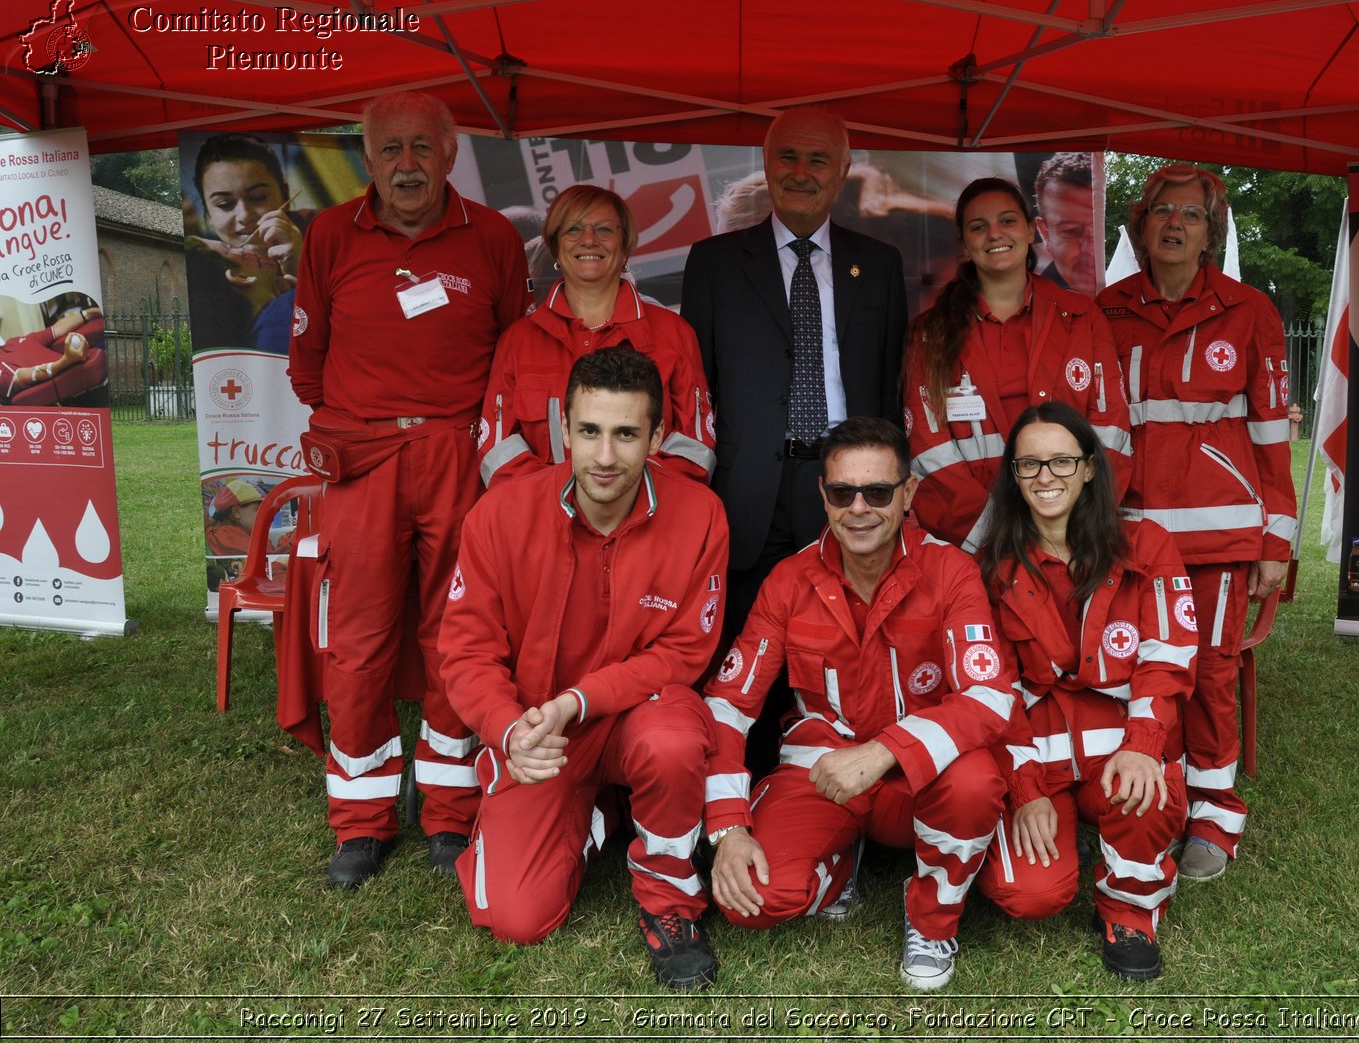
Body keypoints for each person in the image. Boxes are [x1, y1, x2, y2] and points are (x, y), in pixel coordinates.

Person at [288, 91, 532, 889]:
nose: (406, 165)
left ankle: (449, 812)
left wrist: (445, 430)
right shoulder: (328, 235)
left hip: (458, 455)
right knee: (357, 642)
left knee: (455, 634)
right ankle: (360, 822)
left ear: (450, 151)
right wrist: (370, 422)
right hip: (363, 460)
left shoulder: (492, 237)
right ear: (367, 158)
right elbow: (307, 363)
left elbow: (512, 354)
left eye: (421, 148)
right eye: (389, 149)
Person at [438, 346, 727, 990]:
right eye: (589, 431)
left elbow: (683, 653)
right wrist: (508, 728)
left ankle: (670, 901)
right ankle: (596, 821)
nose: (604, 456)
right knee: (517, 917)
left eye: (627, 434)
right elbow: (466, 647)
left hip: (634, 716)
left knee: (675, 739)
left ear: (657, 436)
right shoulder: (498, 516)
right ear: (562, 429)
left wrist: (579, 699)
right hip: (540, 732)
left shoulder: (702, 514)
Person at [703, 417, 1012, 992]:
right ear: (823, 494)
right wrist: (726, 828)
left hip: (915, 781)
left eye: (878, 491)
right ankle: (839, 860)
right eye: (843, 492)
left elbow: (990, 699)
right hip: (821, 775)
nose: (860, 508)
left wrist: (883, 750)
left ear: (909, 493)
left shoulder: (951, 571)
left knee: (974, 781)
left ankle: (932, 919)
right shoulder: (788, 580)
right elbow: (727, 706)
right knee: (753, 902)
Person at [1096, 162, 1296, 881]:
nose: (1174, 224)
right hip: (1130, 537)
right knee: (1138, 672)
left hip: (1221, 541)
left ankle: (1215, 818)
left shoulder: (1251, 312)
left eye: (1190, 214)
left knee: (1210, 674)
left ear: (1212, 232)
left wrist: (1278, 539)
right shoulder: (1106, 310)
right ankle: (1162, 802)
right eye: (1160, 212)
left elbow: (1274, 437)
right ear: (1139, 227)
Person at [973, 402, 1195, 982]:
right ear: (1013, 476)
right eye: (1029, 465)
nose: (1046, 477)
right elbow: (992, 687)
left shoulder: (1147, 543)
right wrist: (1023, 791)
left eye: (1062, 461)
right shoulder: (993, 565)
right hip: (1037, 753)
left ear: (1091, 468)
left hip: (1118, 741)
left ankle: (1129, 911)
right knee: (1030, 895)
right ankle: (1046, 839)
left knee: (1150, 788)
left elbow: (1167, 657)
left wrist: (1146, 743)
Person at [681, 107, 908, 645]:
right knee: (747, 652)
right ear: (766, 162)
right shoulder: (713, 263)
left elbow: (889, 384)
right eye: (788, 156)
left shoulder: (879, 264)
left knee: (844, 644)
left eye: (818, 159)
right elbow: (694, 386)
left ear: (843, 170)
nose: (801, 171)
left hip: (848, 487)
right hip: (748, 491)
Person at [903, 177, 1131, 554]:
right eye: (978, 227)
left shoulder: (1081, 317)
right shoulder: (930, 335)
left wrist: (1069, 528)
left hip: (1074, 541)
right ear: (964, 242)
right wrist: (1000, 539)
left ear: (1030, 230)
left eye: (1007, 221)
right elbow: (929, 453)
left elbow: (1112, 433)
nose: (995, 234)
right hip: (979, 546)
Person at [477, 184, 714, 487]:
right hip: (546, 524)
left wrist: (624, 501)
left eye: (604, 229)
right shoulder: (519, 340)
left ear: (625, 244)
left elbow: (696, 444)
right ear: (555, 246)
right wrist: (558, 500)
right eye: (573, 229)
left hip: (649, 522)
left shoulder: (674, 333)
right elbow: (497, 448)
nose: (589, 240)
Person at [188, 134, 305, 353]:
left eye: (258, 197)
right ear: (208, 216)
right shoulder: (205, 283)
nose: (244, 215)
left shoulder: (330, 239)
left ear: (286, 195)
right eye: (224, 204)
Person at [1, 304, 101, 404]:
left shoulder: (13, 342)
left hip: (76, 359)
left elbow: (56, 329)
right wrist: (66, 360)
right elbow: (24, 376)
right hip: (69, 377)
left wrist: (92, 312)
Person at [1033, 152, 1101, 296]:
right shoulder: (1027, 309)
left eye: (1100, 231)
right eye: (1070, 231)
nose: (1090, 249)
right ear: (1044, 233)